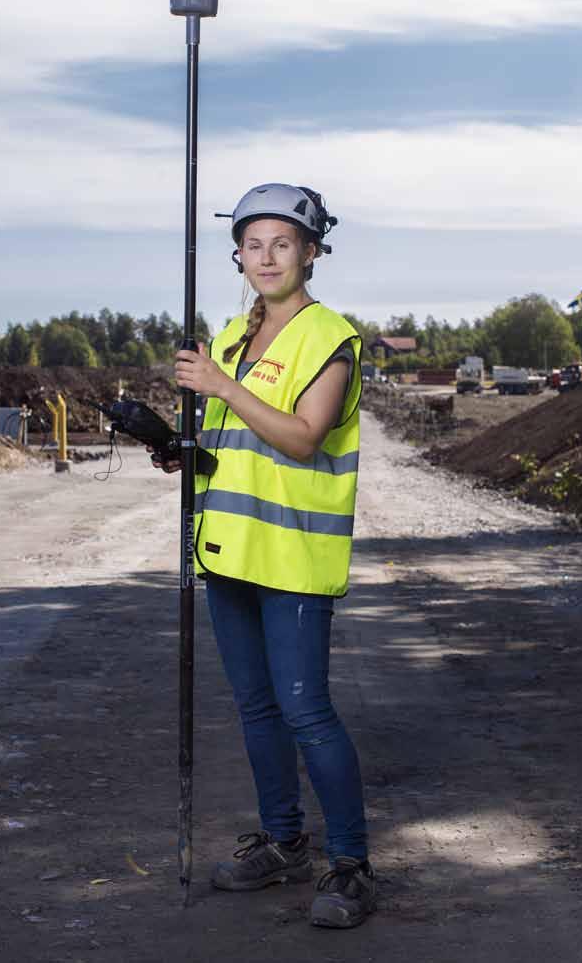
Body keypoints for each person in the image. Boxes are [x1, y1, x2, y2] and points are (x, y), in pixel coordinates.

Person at [162, 183, 375, 929]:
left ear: (311, 251)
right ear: (237, 255)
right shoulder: (227, 336)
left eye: (282, 243)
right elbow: (229, 445)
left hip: (292, 557)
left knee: (304, 709)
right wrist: (180, 451)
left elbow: (299, 436)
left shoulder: (329, 338)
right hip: (228, 550)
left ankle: (350, 864)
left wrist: (220, 383)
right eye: (253, 244)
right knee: (256, 709)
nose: (266, 257)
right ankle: (284, 841)